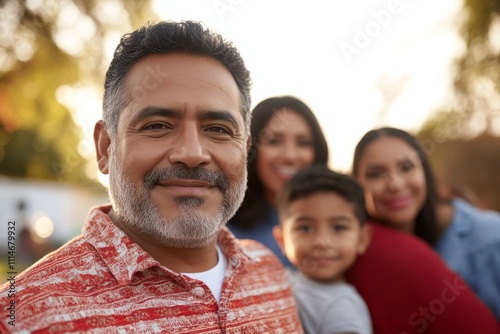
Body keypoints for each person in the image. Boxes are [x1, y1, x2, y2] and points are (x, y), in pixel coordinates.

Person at [0, 21, 304, 333]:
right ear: (105, 147)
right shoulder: (22, 317)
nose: (191, 152)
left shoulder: (270, 272)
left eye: (218, 129)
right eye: (157, 125)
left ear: (245, 148)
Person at [351, 126, 500, 320]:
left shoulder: (489, 239)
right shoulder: (356, 252)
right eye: (375, 174)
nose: (395, 184)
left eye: (406, 167)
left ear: (425, 171)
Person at [228, 96, 329, 266]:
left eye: (303, 143)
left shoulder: (343, 219)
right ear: (249, 147)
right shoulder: (222, 231)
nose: (290, 156)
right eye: (275, 141)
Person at [273, 166, 372, 334]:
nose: (322, 242)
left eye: (339, 228)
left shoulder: (342, 306)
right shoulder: (277, 277)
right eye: (305, 228)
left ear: (362, 239)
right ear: (282, 240)